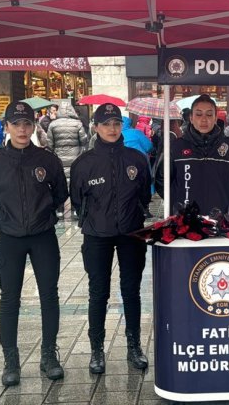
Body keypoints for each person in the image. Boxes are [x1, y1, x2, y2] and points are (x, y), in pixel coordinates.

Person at [0, 100, 68, 387]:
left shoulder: (47, 159)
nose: (23, 129)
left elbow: (60, 192)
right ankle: (10, 360)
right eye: (16, 124)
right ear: (8, 127)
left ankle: (49, 355)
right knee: (9, 298)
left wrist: (46, 210)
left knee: (49, 295)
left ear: (33, 125)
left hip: (43, 236)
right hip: (10, 238)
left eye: (27, 124)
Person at [70, 103, 151, 374]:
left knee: (131, 291)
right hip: (97, 235)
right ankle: (96, 350)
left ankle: (134, 345)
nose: (112, 129)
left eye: (116, 123)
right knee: (98, 293)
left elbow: (145, 195)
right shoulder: (84, 163)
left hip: (131, 232)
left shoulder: (136, 158)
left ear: (122, 126)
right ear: (96, 127)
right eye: (106, 124)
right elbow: (76, 199)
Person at [155, 94, 229, 215]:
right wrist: (177, 203)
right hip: (185, 223)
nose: (204, 119)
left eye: (209, 114)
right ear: (191, 117)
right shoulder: (175, 147)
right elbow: (161, 181)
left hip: (223, 223)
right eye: (199, 114)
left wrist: (228, 201)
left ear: (216, 117)